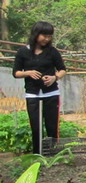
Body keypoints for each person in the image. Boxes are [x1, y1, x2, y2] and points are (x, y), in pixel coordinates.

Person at [12, 21, 66, 155]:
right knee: (36, 127)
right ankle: (37, 155)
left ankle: (53, 154)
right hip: (32, 94)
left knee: (52, 127)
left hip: (51, 93)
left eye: (49, 36)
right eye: (44, 36)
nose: (47, 39)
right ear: (36, 34)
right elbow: (16, 72)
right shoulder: (23, 52)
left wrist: (55, 77)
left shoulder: (52, 52)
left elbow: (62, 69)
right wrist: (28, 73)